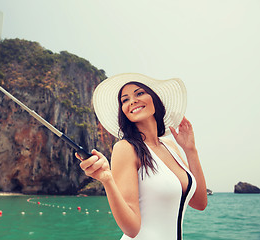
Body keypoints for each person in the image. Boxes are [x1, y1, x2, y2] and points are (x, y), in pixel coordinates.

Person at [76, 73, 207, 240]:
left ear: (155, 99)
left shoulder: (171, 146)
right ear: (123, 111)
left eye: (139, 93)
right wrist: (107, 180)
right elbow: (131, 230)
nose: (132, 101)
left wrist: (190, 150)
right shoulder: (126, 148)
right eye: (125, 100)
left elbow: (200, 203)